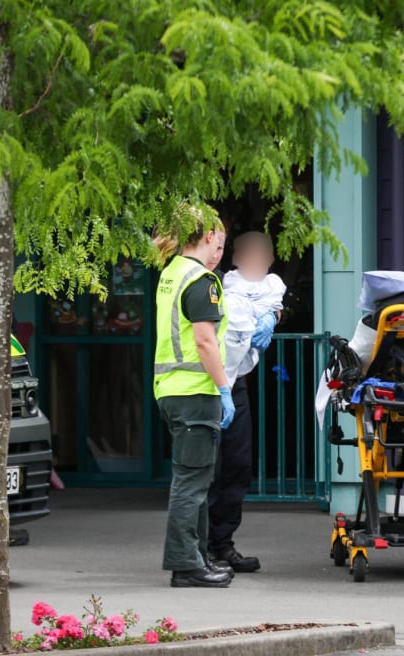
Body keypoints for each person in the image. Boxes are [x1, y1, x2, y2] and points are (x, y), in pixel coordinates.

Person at [153, 204, 236, 588]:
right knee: (191, 482)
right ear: (208, 236)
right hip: (194, 392)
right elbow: (204, 340)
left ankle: (198, 558)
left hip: (171, 391)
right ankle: (187, 565)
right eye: (219, 237)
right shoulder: (202, 280)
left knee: (196, 479)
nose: (222, 245)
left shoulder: (171, 273)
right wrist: (224, 388)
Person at [207, 231, 286, 573]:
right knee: (210, 471)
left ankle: (223, 544)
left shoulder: (270, 285)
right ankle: (202, 549)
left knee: (237, 465)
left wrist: (274, 317)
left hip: (236, 382)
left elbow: (274, 304)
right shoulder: (218, 286)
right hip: (207, 384)